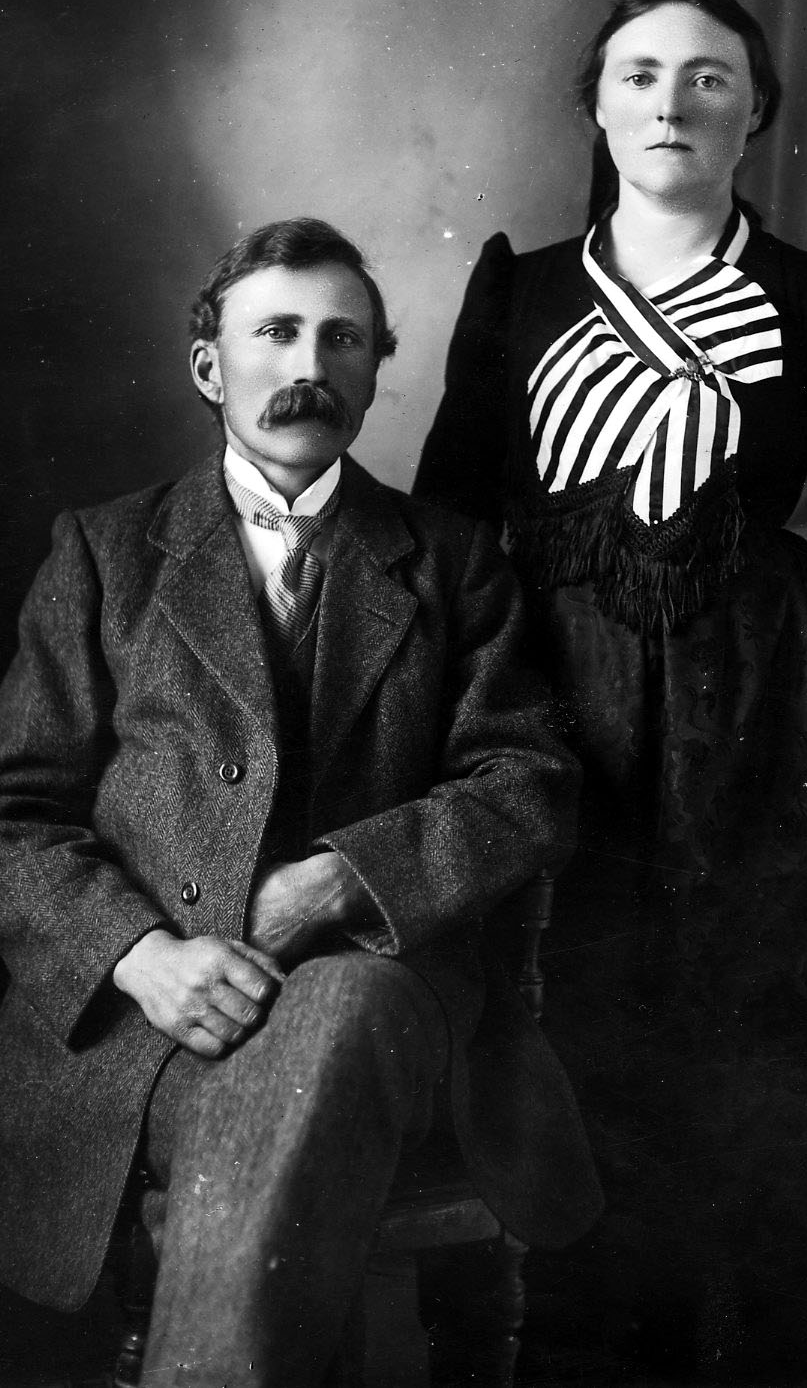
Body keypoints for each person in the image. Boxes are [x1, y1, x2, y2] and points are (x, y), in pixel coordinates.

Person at [415, 0, 807, 1385]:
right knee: (572, 1004)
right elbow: (448, 528)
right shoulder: (522, 289)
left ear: (753, 112)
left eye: (709, 77)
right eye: (638, 74)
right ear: (593, 105)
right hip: (555, 705)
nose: (670, 103)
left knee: (760, 1021)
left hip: (769, 712)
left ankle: (762, 1343)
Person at [0, 217, 601, 1386]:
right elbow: (16, 816)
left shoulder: (453, 562)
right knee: (276, 1135)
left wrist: (340, 881)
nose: (308, 366)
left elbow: (526, 783)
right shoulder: (104, 556)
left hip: (384, 1005)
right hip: (149, 1030)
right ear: (209, 366)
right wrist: (140, 958)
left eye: (342, 339)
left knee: (336, 1013)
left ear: (376, 372)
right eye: (275, 332)